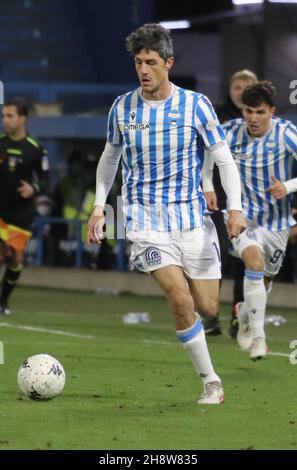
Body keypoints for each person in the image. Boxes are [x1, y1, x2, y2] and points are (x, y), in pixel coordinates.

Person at [87, 24, 246, 404]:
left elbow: (224, 159)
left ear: (168, 63)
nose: (144, 69)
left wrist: (235, 208)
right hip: (144, 222)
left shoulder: (195, 105)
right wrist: (98, 207)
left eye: (152, 62)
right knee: (179, 298)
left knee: (206, 306)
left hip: (192, 222)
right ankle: (211, 382)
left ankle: (203, 318)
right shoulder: (122, 108)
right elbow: (110, 158)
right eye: (138, 62)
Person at [203, 81, 297, 360]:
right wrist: (208, 187)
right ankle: (259, 338)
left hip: (277, 223)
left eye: (260, 112)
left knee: (263, 284)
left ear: (272, 111)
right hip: (241, 216)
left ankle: (244, 313)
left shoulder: (287, 134)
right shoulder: (229, 132)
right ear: (242, 110)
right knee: (253, 262)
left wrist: (288, 187)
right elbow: (207, 162)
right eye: (248, 112)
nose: (253, 119)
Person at [203, 69, 258, 337]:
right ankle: (209, 315)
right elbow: (204, 153)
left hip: (249, 201)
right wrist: (207, 186)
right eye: (237, 87)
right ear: (230, 89)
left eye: (247, 87)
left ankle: (239, 316)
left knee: (244, 260)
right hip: (217, 199)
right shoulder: (216, 115)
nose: (241, 92)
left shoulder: (260, 119)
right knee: (217, 255)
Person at [0, 97, 49, 314]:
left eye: (10, 116)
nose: (5, 120)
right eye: (3, 116)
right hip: (0, 209)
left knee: (15, 259)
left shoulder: (36, 149)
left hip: (22, 212)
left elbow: (45, 179)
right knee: (1, 253)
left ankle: (3, 302)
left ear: (22, 119)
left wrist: (34, 188)